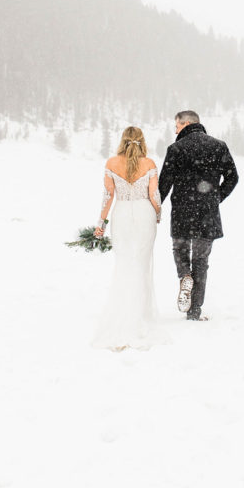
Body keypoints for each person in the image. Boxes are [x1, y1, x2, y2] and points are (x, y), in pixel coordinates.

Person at [90, 126, 168, 351]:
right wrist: (158, 213)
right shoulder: (150, 164)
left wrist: (101, 223)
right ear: (141, 141)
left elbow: (108, 196)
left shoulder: (112, 163)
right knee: (142, 264)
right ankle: (141, 315)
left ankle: (122, 312)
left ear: (123, 141)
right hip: (144, 214)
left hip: (122, 214)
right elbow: (154, 194)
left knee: (124, 263)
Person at [159, 110, 238, 321]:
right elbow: (233, 177)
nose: (175, 130)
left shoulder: (176, 149)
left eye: (176, 126)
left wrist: (155, 208)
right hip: (207, 213)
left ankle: (184, 276)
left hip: (182, 212)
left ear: (186, 123)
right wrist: (215, 198)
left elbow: (164, 184)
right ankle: (194, 312)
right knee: (201, 261)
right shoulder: (218, 146)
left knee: (180, 251)